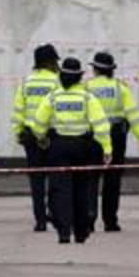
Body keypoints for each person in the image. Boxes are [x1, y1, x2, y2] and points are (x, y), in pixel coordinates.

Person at [29, 57, 112, 244]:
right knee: (81, 189)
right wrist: (107, 149)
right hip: (82, 147)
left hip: (58, 147)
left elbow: (38, 124)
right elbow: (101, 125)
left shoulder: (53, 97)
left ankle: (64, 232)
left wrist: (42, 140)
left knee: (60, 190)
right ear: (79, 77)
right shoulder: (86, 97)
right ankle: (81, 231)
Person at [85, 51, 139, 232]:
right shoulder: (120, 88)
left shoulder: (86, 87)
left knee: (90, 178)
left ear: (95, 69)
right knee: (112, 179)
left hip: (92, 137)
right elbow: (134, 117)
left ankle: (89, 218)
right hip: (116, 136)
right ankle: (110, 221)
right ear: (111, 70)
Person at [11, 43, 61, 232]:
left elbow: (18, 110)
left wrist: (18, 132)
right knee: (56, 178)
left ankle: (40, 220)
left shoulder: (27, 82)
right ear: (50, 62)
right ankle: (54, 213)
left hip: (30, 136)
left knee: (37, 180)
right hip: (51, 136)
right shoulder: (57, 82)